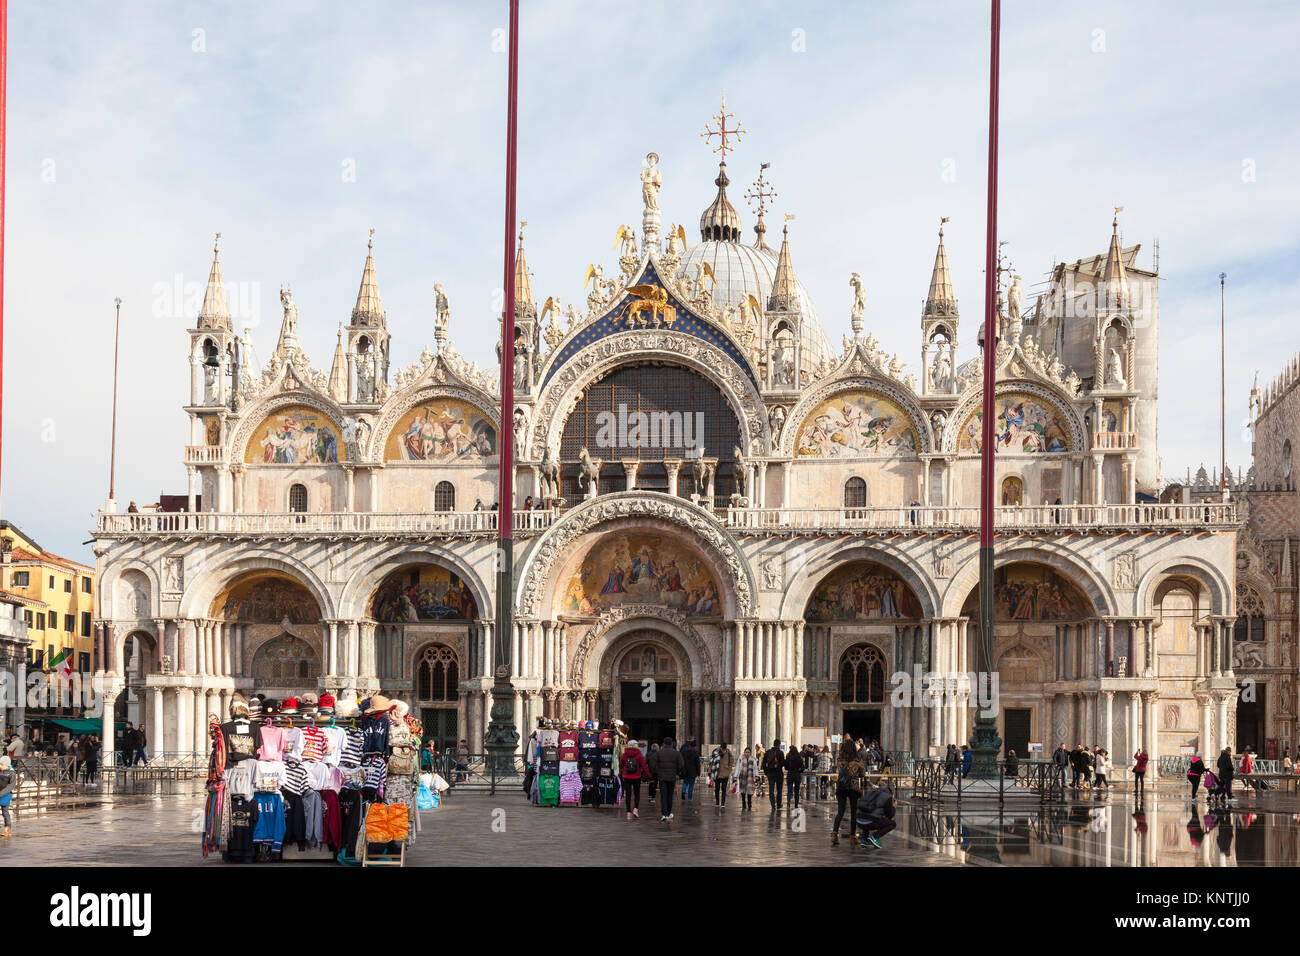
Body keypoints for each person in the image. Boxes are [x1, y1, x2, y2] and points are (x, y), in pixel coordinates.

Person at [831, 739, 866, 846]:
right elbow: (863, 773)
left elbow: (839, 771)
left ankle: (834, 833)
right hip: (853, 787)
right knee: (853, 813)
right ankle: (852, 836)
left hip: (841, 787)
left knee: (840, 812)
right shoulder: (857, 760)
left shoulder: (840, 759)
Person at [648, 737, 683, 821]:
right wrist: (677, 772)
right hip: (672, 777)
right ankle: (668, 812)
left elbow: (652, 764)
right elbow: (681, 764)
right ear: (671, 744)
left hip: (662, 777)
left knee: (663, 795)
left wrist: (657, 771)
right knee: (670, 795)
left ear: (663, 744)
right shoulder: (676, 753)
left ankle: (664, 814)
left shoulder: (659, 753)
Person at [857, 783, 897, 849]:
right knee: (892, 824)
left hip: (859, 821)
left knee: (867, 815)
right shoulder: (888, 797)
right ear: (891, 792)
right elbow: (890, 815)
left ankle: (864, 839)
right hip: (870, 822)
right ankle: (874, 837)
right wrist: (893, 807)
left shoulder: (871, 793)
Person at [620, 738, 648, 820]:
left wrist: (623, 769)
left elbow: (620, 765)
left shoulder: (624, 754)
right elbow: (644, 766)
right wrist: (649, 776)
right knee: (637, 794)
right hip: (637, 777)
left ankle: (628, 813)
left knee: (628, 795)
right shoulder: (639, 754)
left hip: (626, 777)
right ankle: (635, 809)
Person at [762, 739, 785, 810]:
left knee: (771, 789)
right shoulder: (780, 753)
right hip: (779, 773)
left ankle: (773, 804)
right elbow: (782, 763)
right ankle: (778, 804)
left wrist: (766, 772)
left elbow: (763, 763)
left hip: (770, 773)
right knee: (779, 790)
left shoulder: (768, 752)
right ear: (779, 744)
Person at [710, 742, 734, 808]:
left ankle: (723, 803)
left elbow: (731, 761)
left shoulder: (728, 753)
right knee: (717, 789)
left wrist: (729, 769)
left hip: (725, 773)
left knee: (724, 789)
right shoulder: (715, 752)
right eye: (722, 749)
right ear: (720, 747)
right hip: (717, 773)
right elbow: (712, 761)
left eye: (725, 749)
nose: (723, 750)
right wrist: (710, 771)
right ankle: (717, 801)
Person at [736, 747, 758, 811]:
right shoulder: (741, 759)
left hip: (750, 777)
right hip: (742, 776)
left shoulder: (753, 759)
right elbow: (737, 767)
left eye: (748, 752)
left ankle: (749, 804)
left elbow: (755, 768)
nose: (747, 753)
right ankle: (743, 803)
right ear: (744, 752)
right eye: (746, 752)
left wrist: (756, 776)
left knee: (749, 791)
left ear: (750, 753)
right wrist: (735, 776)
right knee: (742, 791)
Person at [784, 743, 805, 810]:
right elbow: (802, 767)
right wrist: (799, 771)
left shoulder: (788, 757)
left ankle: (788, 803)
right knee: (796, 790)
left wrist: (789, 768)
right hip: (797, 775)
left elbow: (786, 767)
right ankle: (796, 804)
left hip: (790, 774)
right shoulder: (799, 757)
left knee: (789, 790)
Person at [0, 755, 15, 837]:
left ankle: (7, 829)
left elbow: (11, 786)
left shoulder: (11, 773)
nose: (0, 766)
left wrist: (1, 794)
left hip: (5, 795)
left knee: (5, 812)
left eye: (1, 765)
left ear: (6, 765)